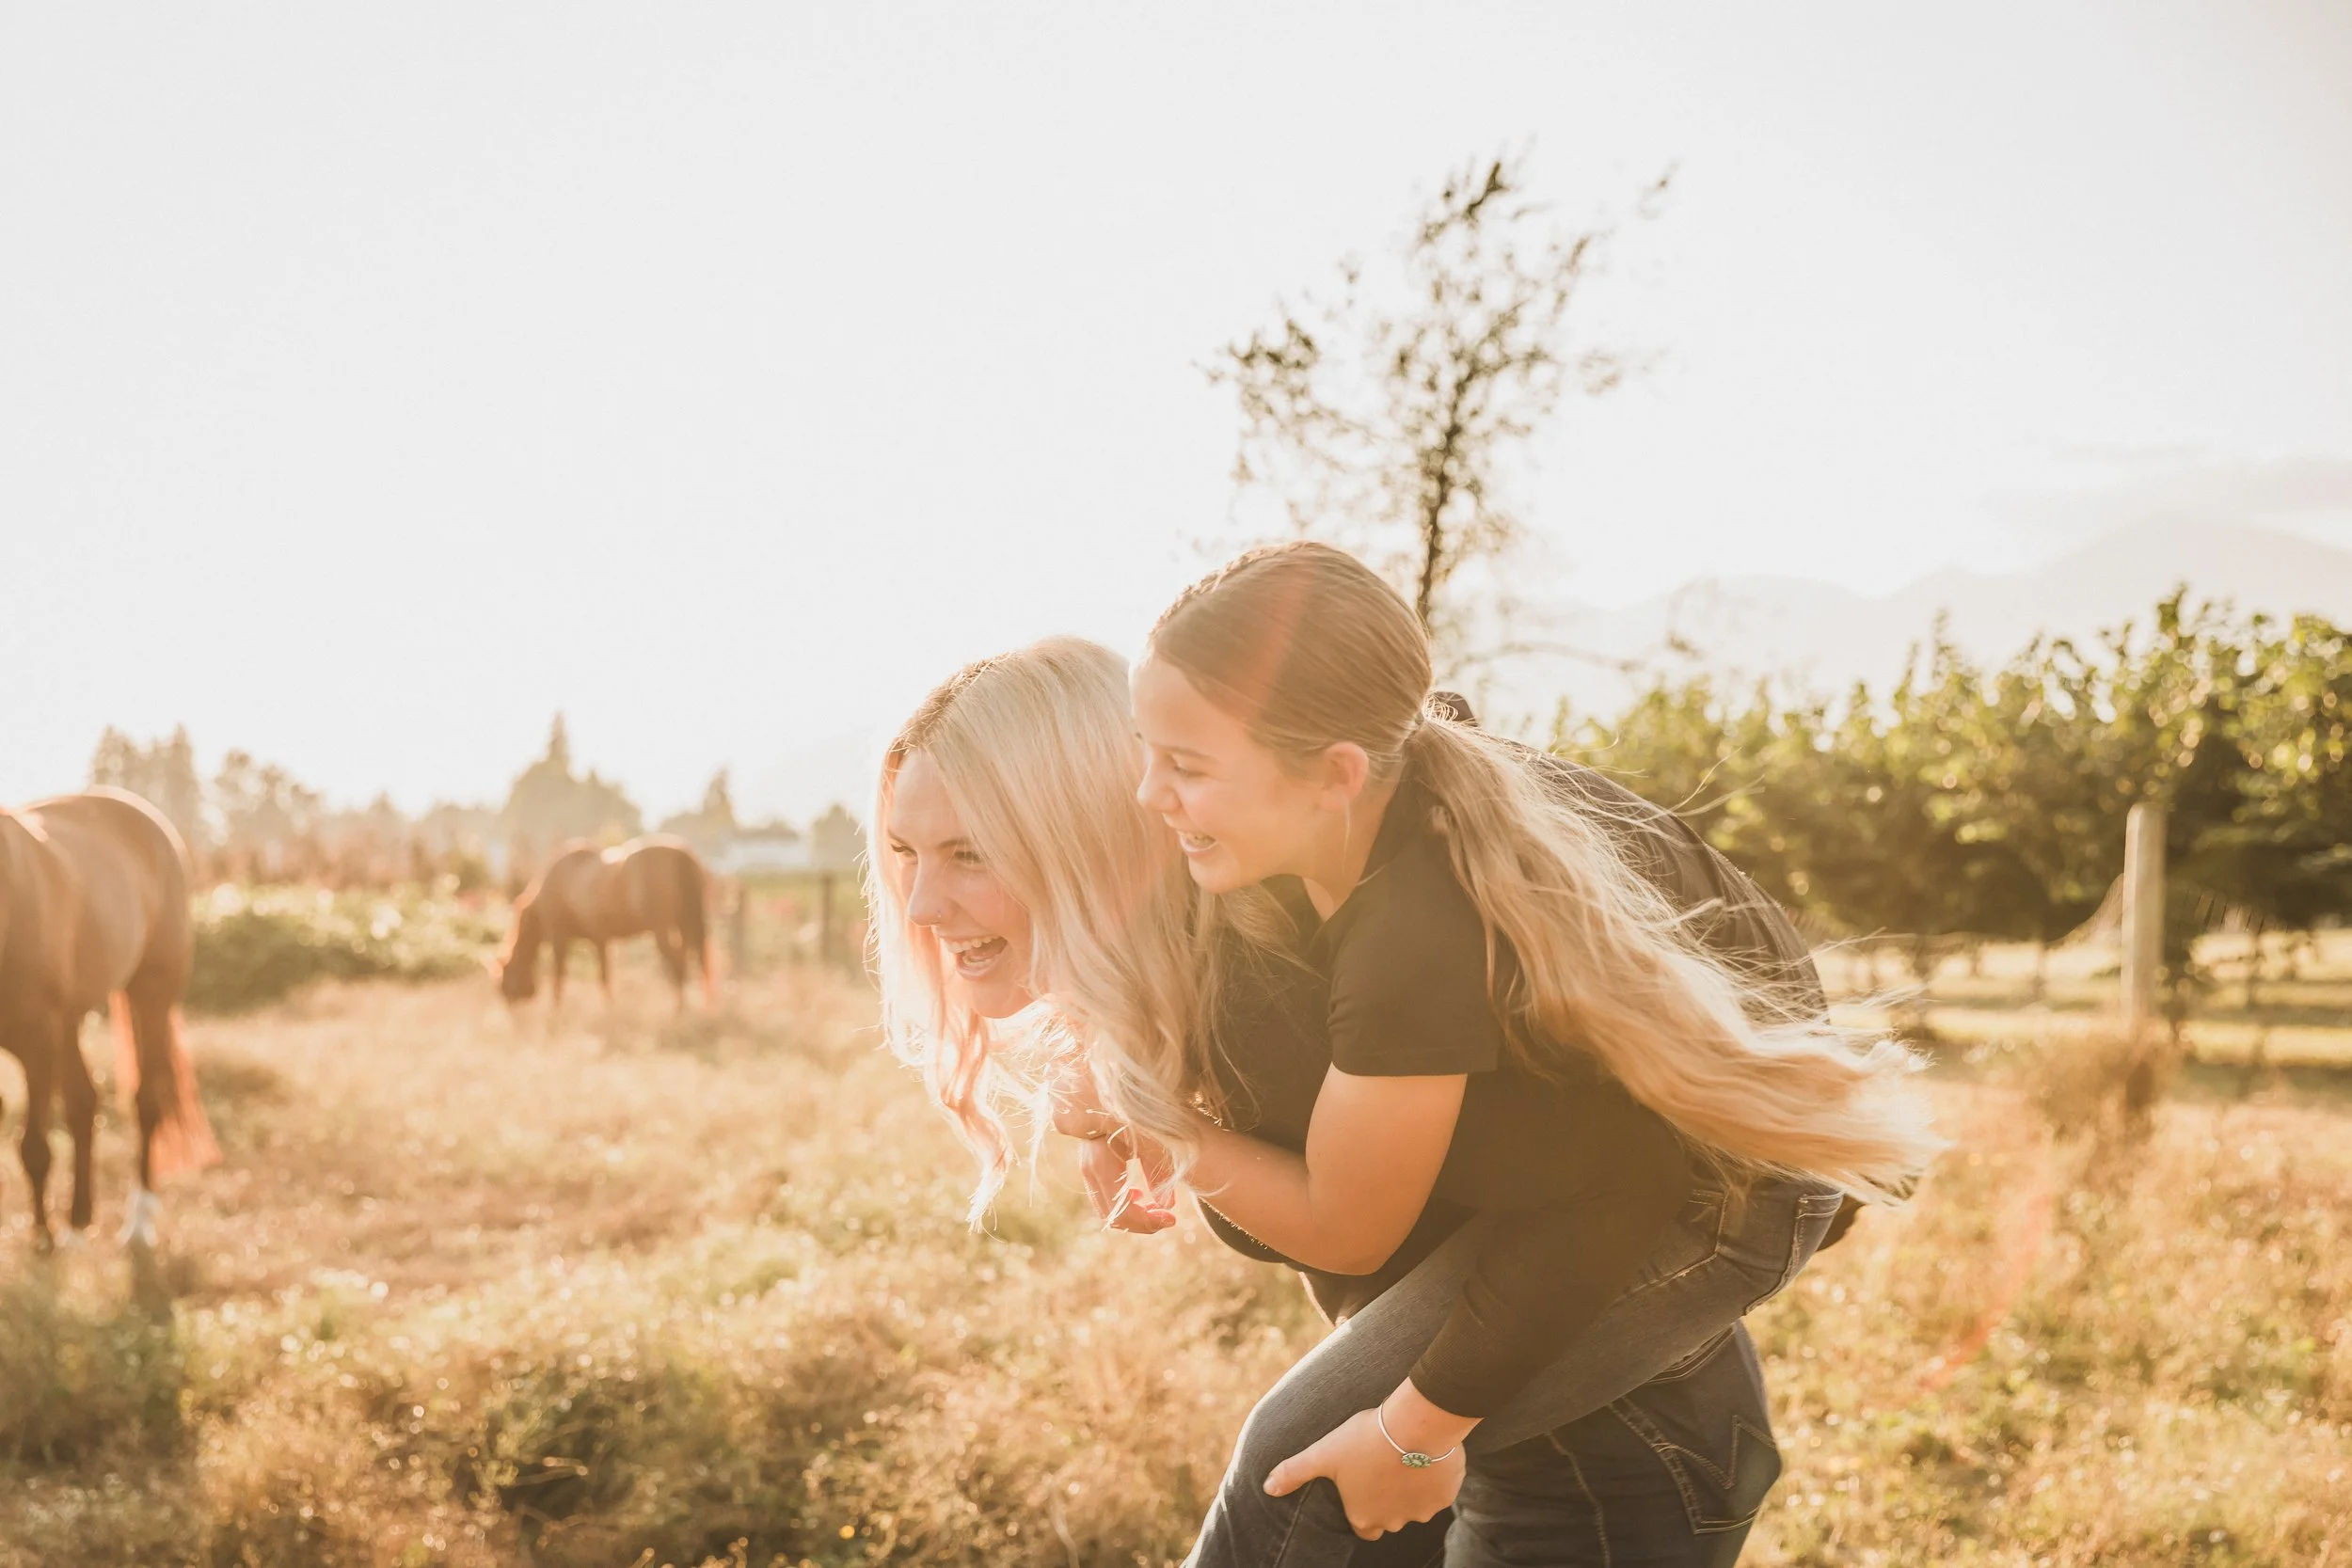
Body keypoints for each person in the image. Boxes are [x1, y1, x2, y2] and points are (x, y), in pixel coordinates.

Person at [870, 594, 1932, 1563]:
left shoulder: (1289, 962)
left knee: (1287, 1483)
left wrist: (1413, 1426)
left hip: (1625, 1428)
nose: (921, 905)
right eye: (906, 854)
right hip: (1582, 1401)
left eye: (970, 853)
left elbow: (1616, 1175)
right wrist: (1122, 1106)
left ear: (1082, 834)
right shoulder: (1221, 928)